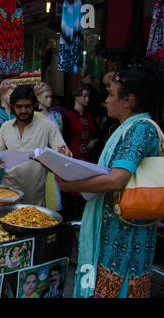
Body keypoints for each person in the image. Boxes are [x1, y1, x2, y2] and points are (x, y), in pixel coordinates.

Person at [56, 69, 162, 298]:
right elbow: (107, 173)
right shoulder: (126, 129)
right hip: (112, 227)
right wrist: (68, 164)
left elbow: (116, 179)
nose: (106, 100)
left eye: (111, 94)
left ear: (128, 99)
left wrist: (69, 186)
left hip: (126, 231)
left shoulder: (141, 129)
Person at [0, 85, 71, 207]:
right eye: (19, 107)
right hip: (8, 195)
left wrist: (64, 155)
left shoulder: (47, 126)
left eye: (27, 106)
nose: (23, 111)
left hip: (35, 198)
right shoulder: (6, 127)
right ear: (12, 106)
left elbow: (64, 156)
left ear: (34, 105)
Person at [61, 84, 98, 221]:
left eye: (88, 96)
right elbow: (64, 139)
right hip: (73, 156)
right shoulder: (69, 117)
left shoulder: (89, 115)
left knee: (86, 190)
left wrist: (93, 142)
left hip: (87, 157)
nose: (87, 99)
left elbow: (96, 132)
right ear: (76, 97)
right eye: (84, 96)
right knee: (73, 192)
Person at [34, 81, 64, 212]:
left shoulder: (57, 116)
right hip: (40, 158)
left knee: (55, 188)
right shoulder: (34, 117)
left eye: (51, 96)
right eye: (46, 97)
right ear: (38, 98)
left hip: (56, 157)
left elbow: (60, 138)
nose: (49, 99)